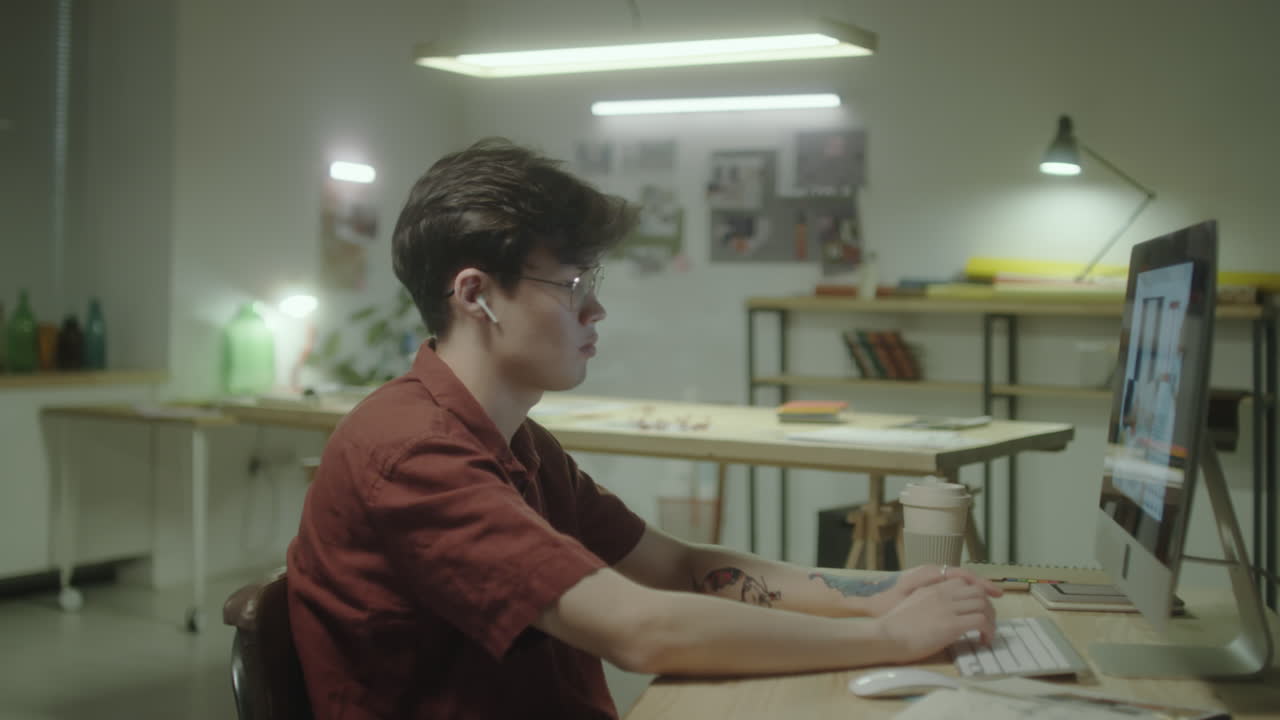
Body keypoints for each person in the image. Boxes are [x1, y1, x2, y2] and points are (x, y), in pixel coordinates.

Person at [287, 138, 1001, 719]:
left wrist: (884, 592)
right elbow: (641, 628)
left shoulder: (514, 441)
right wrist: (886, 638)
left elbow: (677, 568)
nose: (595, 311)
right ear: (476, 295)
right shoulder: (414, 452)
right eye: (571, 286)